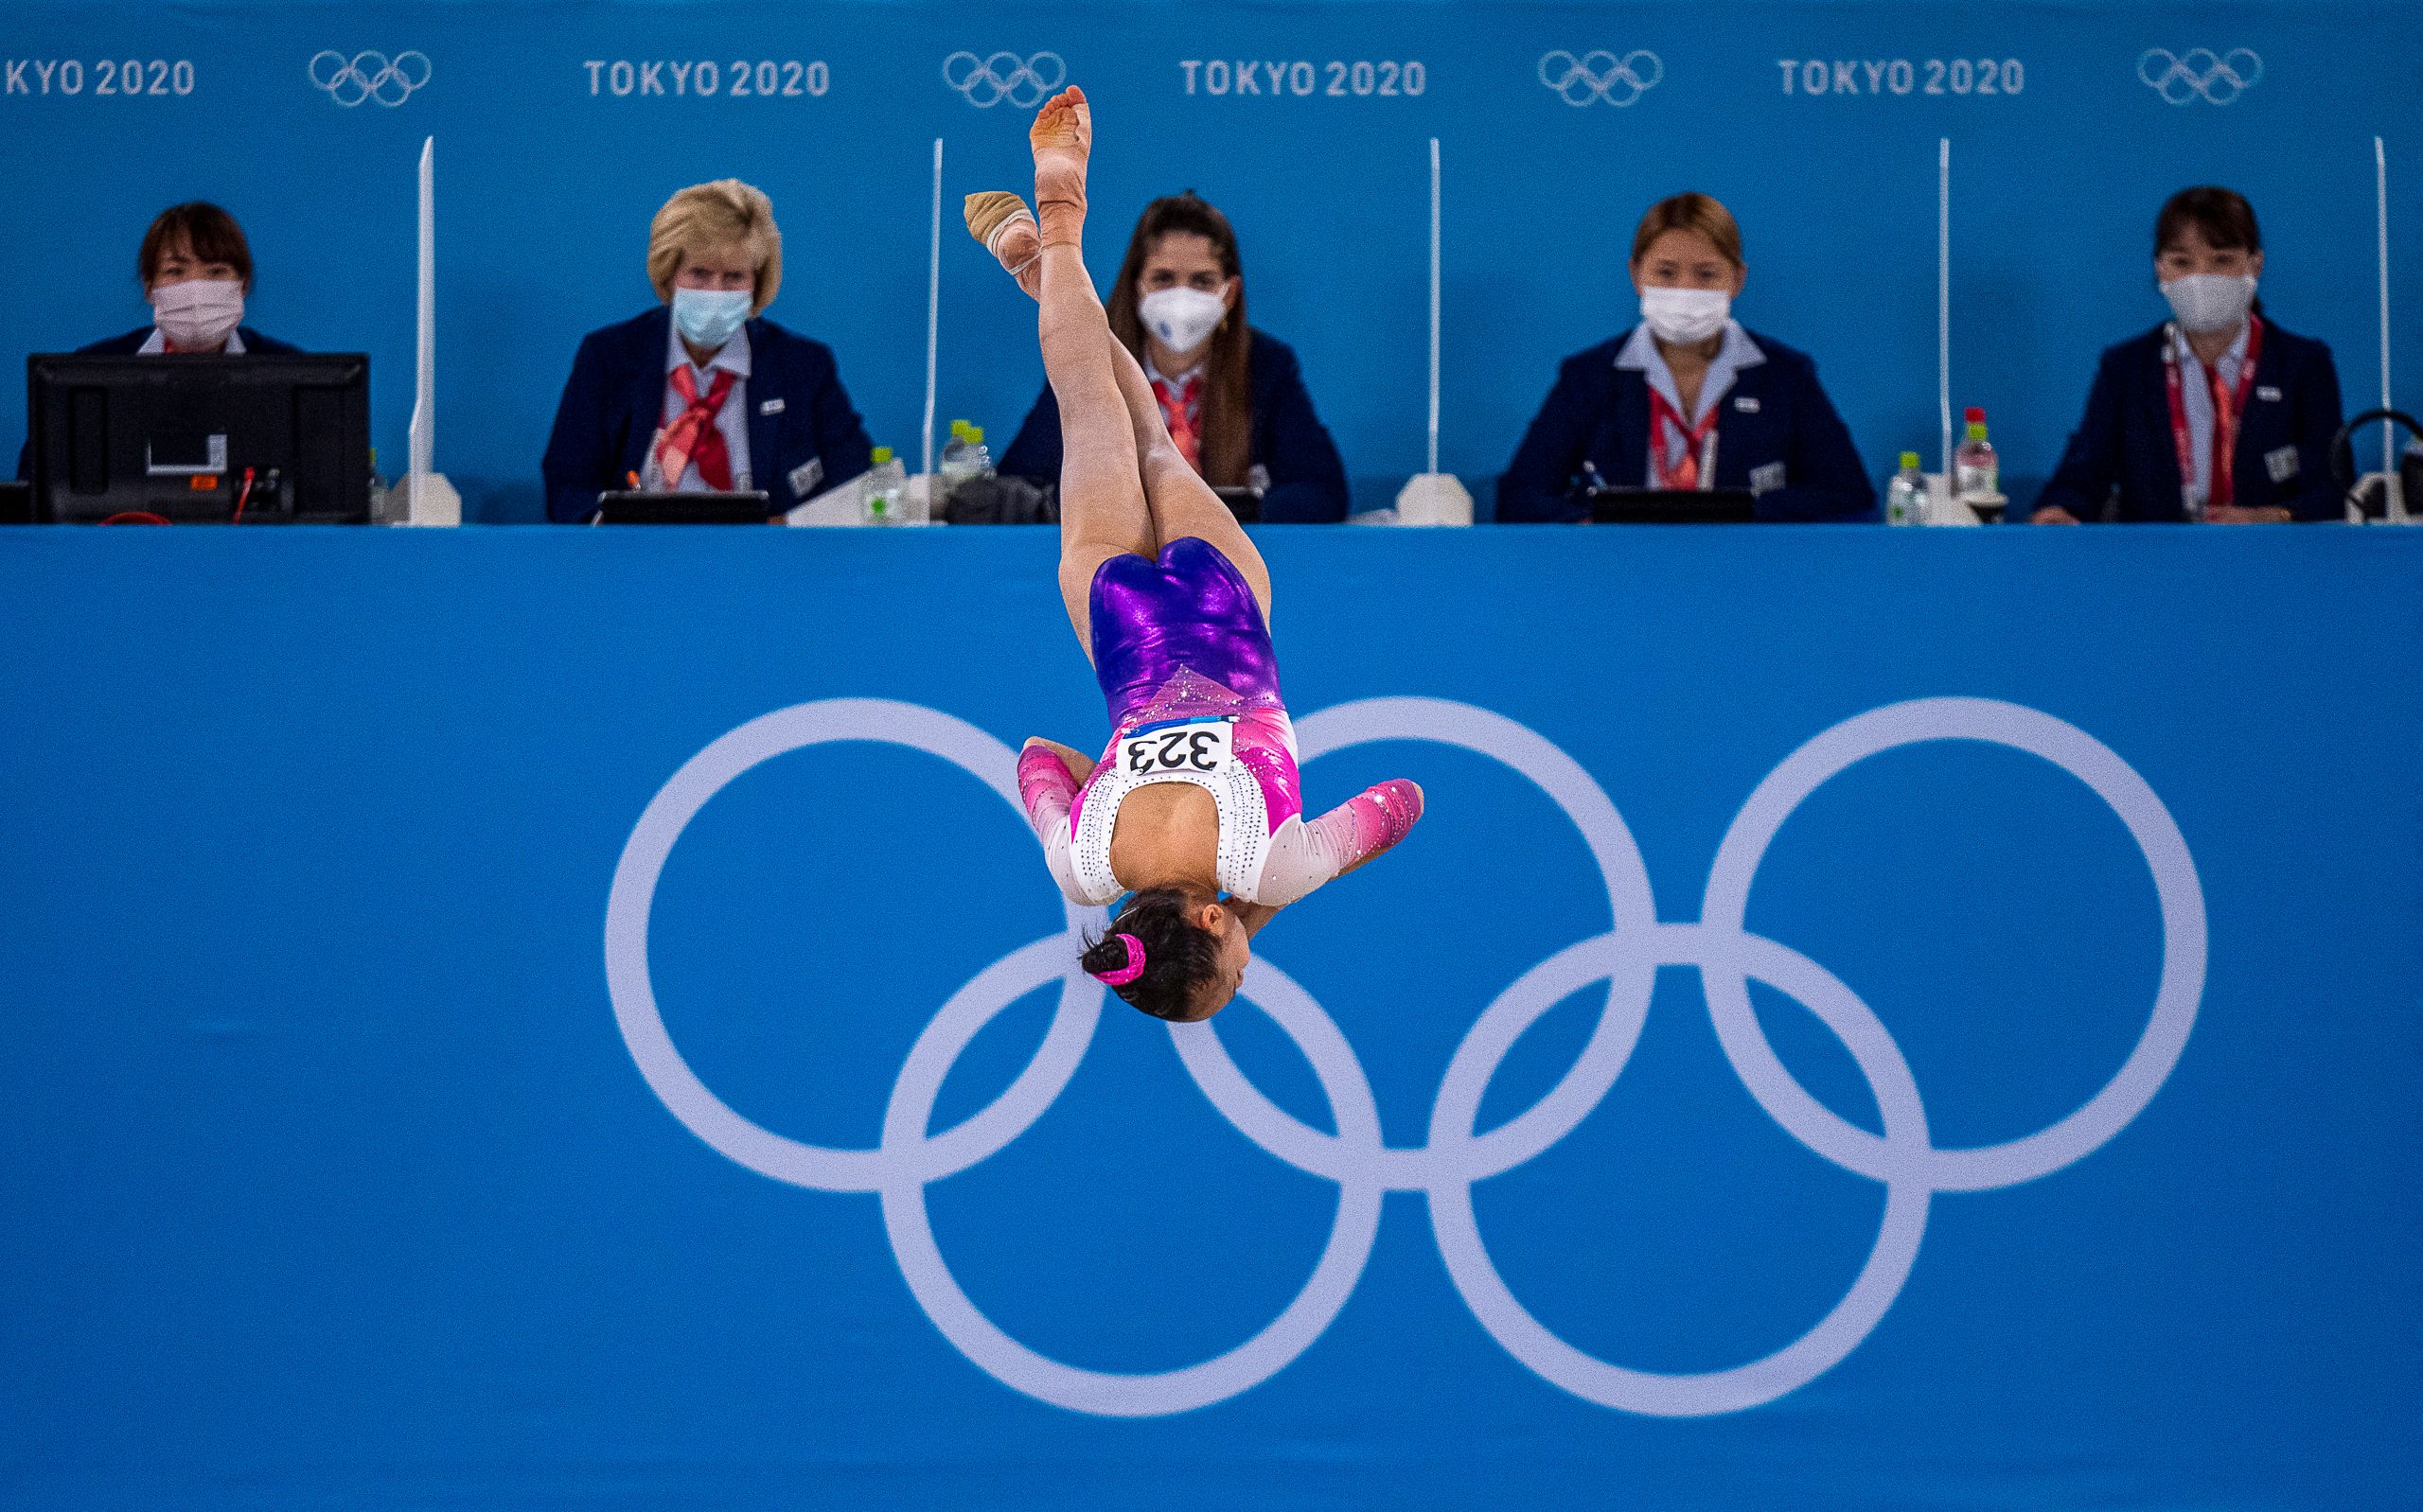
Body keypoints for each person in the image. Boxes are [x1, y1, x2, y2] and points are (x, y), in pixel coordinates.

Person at [971, 86, 1422, 1023]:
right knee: (1097, 408)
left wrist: (1271, 896)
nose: (1250, 963)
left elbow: (1402, 801)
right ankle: (1051, 233)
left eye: (1237, 969)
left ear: (1216, 924)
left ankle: (1050, 263)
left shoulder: (1272, 866)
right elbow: (1038, 758)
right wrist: (1118, 777)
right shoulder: (1083, 866)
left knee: (1153, 438)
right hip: (1117, 622)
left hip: (1225, 608)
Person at [1497, 192, 1874, 522]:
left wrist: (1745, 513)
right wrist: (1591, 525)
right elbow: (1522, 495)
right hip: (1619, 565)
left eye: (1707, 275)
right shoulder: (1588, 377)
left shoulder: (1786, 376)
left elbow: (1847, 491)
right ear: (1636, 275)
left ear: (1737, 280)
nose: (1685, 290)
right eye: (1665, 273)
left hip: (1746, 564)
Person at [994, 192, 1351, 522]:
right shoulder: (1089, 360)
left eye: (1202, 281)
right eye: (1163, 278)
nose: (1182, 297)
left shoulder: (1267, 366)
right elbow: (1018, 484)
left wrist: (1222, 514)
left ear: (1229, 294)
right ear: (1137, 286)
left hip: (1227, 556)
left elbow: (1322, 492)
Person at [540, 180, 873, 522]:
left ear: (756, 282)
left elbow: (858, 487)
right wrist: (619, 533)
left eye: (734, 277)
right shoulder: (609, 358)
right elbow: (568, 488)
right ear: (669, 274)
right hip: (639, 553)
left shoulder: (803, 367)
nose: (716, 292)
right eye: (699, 273)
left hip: (764, 554)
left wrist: (783, 529)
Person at [2033, 187, 2342, 523]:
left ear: (2255, 264)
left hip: (2270, 550)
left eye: (2222, 260)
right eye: (2182, 262)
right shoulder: (2126, 368)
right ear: (2160, 269)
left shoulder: (2303, 365)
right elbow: (2083, 473)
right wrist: (2060, 511)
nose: (2200, 278)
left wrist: (2273, 516)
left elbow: (2333, 488)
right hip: (2157, 552)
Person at [17, 202, 297, 478]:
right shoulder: (90, 373)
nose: (195, 289)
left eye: (216, 272)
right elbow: (35, 485)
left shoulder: (289, 371)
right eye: (175, 271)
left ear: (243, 285)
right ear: (149, 286)